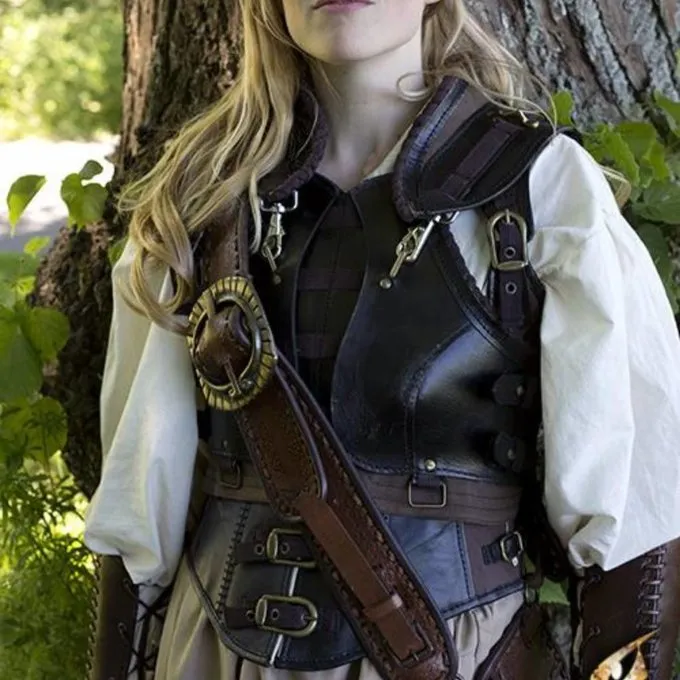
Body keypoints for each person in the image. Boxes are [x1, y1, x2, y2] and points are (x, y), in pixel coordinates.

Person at [84, 1, 680, 679]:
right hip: (212, 651)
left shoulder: (541, 188)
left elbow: (634, 511)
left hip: (456, 648)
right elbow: (139, 499)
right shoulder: (201, 199)